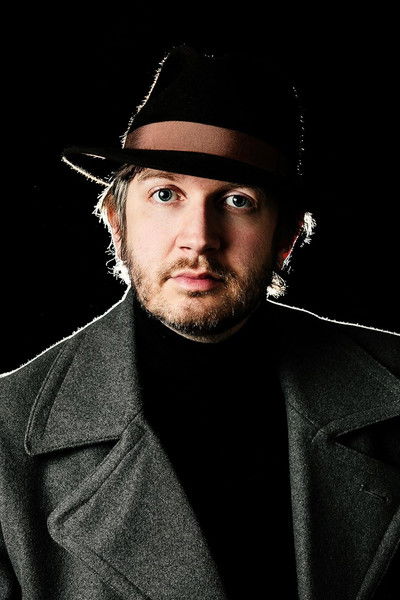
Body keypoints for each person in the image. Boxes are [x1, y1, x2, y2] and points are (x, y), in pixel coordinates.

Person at [0, 43, 399, 600]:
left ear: (286, 237)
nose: (199, 239)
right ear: (116, 220)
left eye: (237, 201)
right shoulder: (7, 436)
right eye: (166, 194)